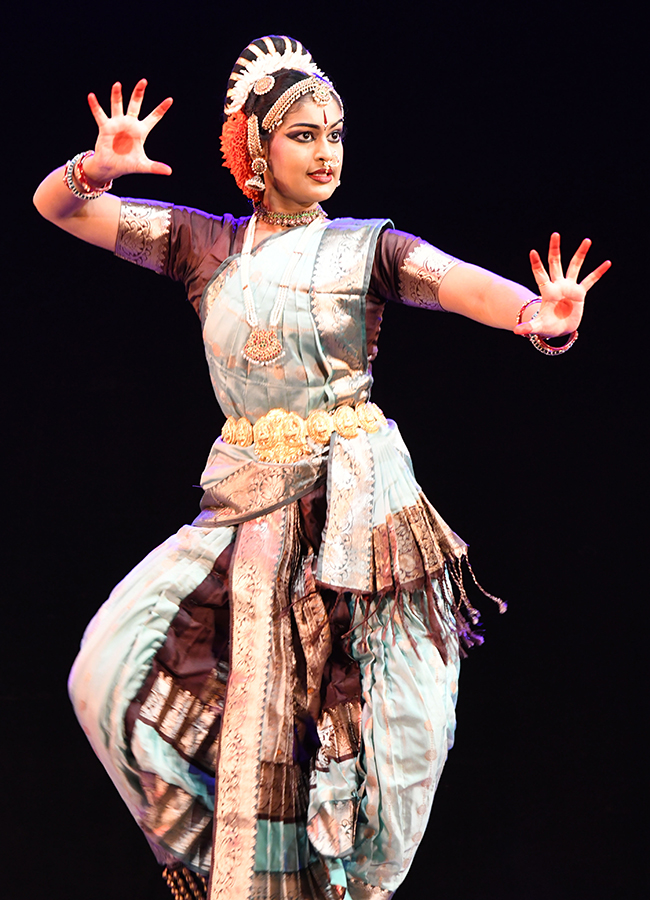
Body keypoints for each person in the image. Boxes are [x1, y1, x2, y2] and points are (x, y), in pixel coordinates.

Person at [33, 35, 610, 900]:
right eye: (303, 135)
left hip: (353, 515)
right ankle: (210, 857)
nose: (326, 150)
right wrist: (94, 167)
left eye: (335, 134)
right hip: (241, 512)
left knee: (405, 733)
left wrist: (534, 312)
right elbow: (60, 210)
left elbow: (451, 281)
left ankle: (354, 884)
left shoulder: (363, 249)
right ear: (256, 152)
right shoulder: (206, 246)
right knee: (107, 667)